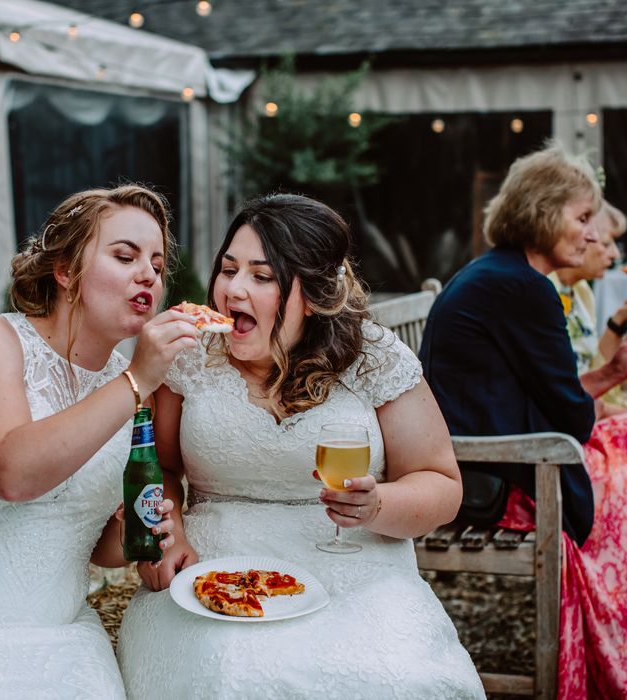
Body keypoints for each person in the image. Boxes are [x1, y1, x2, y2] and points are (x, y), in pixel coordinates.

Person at [116, 193, 486, 699]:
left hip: (358, 571)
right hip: (216, 570)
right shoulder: (191, 357)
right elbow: (159, 467)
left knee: (399, 680)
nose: (232, 290)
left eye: (262, 277)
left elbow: (441, 484)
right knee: (226, 677)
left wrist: (378, 504)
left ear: (312, 294)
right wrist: (170, 531)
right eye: (228, 270)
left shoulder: (373, 356)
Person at [420, 144, 627, 698]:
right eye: (582, 217)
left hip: (497, 455)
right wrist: (606, 383)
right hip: (495, 478)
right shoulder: (525, 287)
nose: (594, 236)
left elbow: (559, 400)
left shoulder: (505, 276)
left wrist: (614, 370)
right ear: (543, 212)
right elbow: (570, 415)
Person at [0, 185, 193, 698]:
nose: (149, 275)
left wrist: (144, 532)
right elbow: (10, 474)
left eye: (158, 266)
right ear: (66, 270)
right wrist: (138, 378)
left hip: (65, 646)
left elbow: (96, 548)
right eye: (125, 256)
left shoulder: (140, 393)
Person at [549, 200, 627, 377]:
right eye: (607, 243)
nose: (615, 254)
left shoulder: (581, 291)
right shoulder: (543, 290)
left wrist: (620, 320)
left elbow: (592, 369)